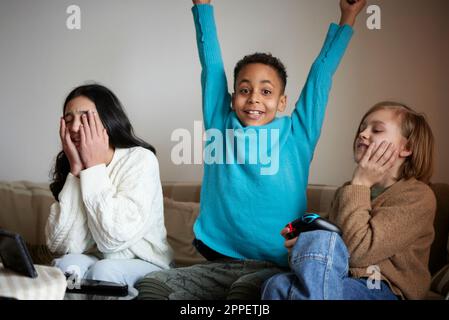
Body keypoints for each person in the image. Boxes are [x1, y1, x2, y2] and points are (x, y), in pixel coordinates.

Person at [136, 0, 366, 299]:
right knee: (152, 286)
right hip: (219, 261)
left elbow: (320, 76)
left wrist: (347, 18)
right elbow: (212, 66)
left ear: (282, 102)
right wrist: (203, 7)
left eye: (267, 91)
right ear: (232, 98)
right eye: (245, 90)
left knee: (244, 295)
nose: (254, 98)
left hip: (274, 266)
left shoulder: (298, 133)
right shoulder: (221, 122)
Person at [262, 101, 436, 300]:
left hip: (382, 286)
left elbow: (358, 252)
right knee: (276, 284)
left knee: (319, 246)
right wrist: (303, 240)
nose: (363, 134)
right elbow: (334, 243)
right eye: (362, 128)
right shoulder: (348, 191)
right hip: (339, 278)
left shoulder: (417, 196)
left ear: (407, 148)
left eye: (376, 130)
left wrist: (360, 182)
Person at [45, 84, 173, 289]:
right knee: (67, 268)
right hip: (97, 258)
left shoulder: (141, 159)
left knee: (104, 272)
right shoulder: (73, 168)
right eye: (69, 121)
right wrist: (77, 172)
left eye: (85, 118)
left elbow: (113, 239)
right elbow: (62, 245)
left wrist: (93, 167)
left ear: (107, 119)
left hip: (145, 261)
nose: (75, 127)